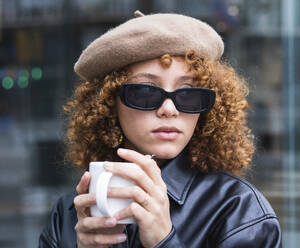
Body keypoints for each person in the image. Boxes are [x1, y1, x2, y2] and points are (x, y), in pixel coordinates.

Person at [39, 10, 281, 248]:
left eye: (188, 94)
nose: (169, 109)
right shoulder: (68, 215)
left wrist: (164, 241)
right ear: (109, 103)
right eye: (146, 92)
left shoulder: (239, 212)